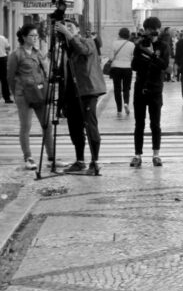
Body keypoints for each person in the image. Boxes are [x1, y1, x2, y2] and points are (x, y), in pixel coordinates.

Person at [55, 20, 106, 176]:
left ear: (78, 29)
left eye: (70, 27)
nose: (66, 29)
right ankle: (80, 160)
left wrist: (68, 34)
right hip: (71, 93)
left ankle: (95, 161)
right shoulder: (64, 48)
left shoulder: (88, 41)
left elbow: (83, 50)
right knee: (74, 128)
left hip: (87, 91)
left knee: (90, 126)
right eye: (64, 27)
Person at [7, 23, 54, 170]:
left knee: (47, 125)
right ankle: (28, 157)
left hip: (39, 92)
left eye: (36, 36)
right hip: (24, 94)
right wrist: (16, 94)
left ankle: (51, 157)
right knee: (25, 126)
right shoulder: (16, 55)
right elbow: (10, 76)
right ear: (23, 37)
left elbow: (46, 72)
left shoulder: (38, 52)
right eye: (32, 36)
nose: (35, 38)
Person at [130, 16, 170, 168]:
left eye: (154, 30)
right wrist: (146, 54)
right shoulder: (139, 45)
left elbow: (164, 66)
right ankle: (137, 155)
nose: (152, 33)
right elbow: (134, 65)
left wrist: (151, 54)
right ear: (145, 30)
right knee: (139, 124)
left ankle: (156, 154)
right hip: (140, 87)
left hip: (155, 88)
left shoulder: (164, 46)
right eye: (149, 30)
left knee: (155, 124)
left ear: (158, 31)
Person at [109, 27, 134, 116]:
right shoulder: (131, 44)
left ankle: (119, 109)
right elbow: (133, 57)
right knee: (126, 88)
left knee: (117, 89)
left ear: (119, 34)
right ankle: (126, 103)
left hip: (116, 68)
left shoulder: (114, 43)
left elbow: (111, 57)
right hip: (127, 68)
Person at [0, 30, 12, 102]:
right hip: (2, 59)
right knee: (4, 79)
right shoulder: (3, 38)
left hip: (3, 59)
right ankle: (7, 98)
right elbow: (8, 48)